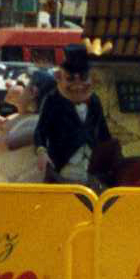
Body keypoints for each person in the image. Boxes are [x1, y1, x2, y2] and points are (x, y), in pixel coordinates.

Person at [34, 43, 113, 188]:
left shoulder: (94, 101)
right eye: (70, 79)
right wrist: (41, 151)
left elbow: (103, 132)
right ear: (60, 78)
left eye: (83, 78)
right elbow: (41, 131)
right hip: (63, 168)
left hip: (90, 170)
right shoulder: (53, 100)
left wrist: (110, 155)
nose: (78, 85)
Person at [0, 69, 56, 183]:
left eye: (21, 84)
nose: (9, 84)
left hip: (23, 191)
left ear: (33, 92)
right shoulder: (26, 119)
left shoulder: (34, 123)